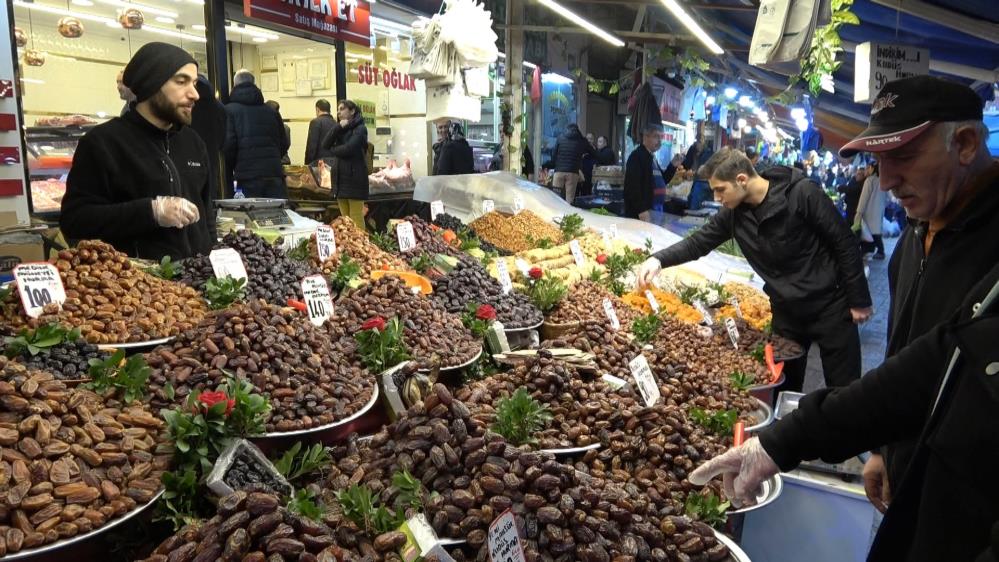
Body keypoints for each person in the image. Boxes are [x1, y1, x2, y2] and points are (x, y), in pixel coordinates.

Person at [685, 258, 999, 562]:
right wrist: (779, 442)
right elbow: (928, 365)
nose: (897, 201)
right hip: (932, 507)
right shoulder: (927, 246)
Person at [835, 76, 999, 517]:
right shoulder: (915, 235)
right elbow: (900, 354)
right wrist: (883, 451)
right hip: (910, 477)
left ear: (965, 143)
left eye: (903, 156)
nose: (885, 181)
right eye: (878, 161)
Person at [636, 147, 872, 392]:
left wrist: (859, 299)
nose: (717, 199)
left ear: (741, 180)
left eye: (720, 190)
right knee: (783, 385)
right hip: (787, 313)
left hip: (830, 305)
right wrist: (658, 260)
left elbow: (843, 241)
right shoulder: (734, 214)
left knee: (845, 391)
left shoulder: (802, 193)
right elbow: (699, 242)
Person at [61, 42, 213, 260]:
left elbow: (207, 215)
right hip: (138, 287)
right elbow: (75, 220)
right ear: (152, 84)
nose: (194, 94)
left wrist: (214, 258)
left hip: (196, 283)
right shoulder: (103, 143)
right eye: (181, 82)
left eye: (195, 83)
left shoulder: (193, 142)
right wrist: (151, 212)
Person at [223, 70, 288, 198]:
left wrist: (232, 169)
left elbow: (229, 146)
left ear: (234, 85)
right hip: (273, 175)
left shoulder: (229, 111)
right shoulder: (271, 111)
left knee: (248, 216)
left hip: (246, 178)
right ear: (254, 84)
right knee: (275, 216)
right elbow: (283, 143)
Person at [323, 99, 368, 229]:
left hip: (355, 179)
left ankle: (362, 246)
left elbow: (349, 148)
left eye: (342, 109)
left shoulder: (361, 129)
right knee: (345, 219)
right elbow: (325, 144)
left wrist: (333, 151)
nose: (339, 112)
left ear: (352, 111)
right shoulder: (341, 129)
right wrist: (337, 127)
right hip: (340, 178)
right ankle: (349, 247)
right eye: (337, 110)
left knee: (356, 217)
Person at [623, 123, 680, 221]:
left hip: (655, 211)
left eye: (661, 137)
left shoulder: (652, 158)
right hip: (641, 214)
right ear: (645, 136)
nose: (659, 141)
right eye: (656, 136)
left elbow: (663, 180)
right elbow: (632, 186)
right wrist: (641, 210)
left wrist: (673, 165)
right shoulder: (637, 156)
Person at [190, 73, 227, 199]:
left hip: (187, 157)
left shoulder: (187, 107)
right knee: (209, 197)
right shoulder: (219, 107)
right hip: (211, 157)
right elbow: (223, 139)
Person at [551, 123, 595, 204]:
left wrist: (555, 165)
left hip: (559, 171)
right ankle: (567, 215)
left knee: (555, 197)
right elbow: (593, 152)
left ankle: (555, 214)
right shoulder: (582, 140)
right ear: (578, 130)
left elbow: (554, 154)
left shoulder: (560, 137)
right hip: (572, 172)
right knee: (569, 198)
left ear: (567, 129)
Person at [853, 163, 885, 259]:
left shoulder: (869, 181)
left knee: (870, 233)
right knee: (875, 232)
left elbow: (864, 198)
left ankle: (879, 251)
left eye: (867, 168)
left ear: (871, 169)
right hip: (878, 210)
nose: (865, 171)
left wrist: (859, 212)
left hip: (869, 211)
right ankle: (877, 250)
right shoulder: (881, 180)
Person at [304, 99, 336, 166]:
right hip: (334, 163)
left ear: (317, 109)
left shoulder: (316, 122)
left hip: (319, 163)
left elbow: (312, 146)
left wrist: (307, 165)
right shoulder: (335, 123)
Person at [265, 100, 291, 165]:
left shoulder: (262, 127)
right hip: (284, 161)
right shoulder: (286, 127)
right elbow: (286, 145)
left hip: (271, 163)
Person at [579, 132, 597, 197]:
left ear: (594, 140)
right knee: (583, 190)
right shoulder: (582, 149)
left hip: (592, 173)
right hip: (583, 172)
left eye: (591, 139)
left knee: (590, 190)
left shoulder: (595, 150)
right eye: (588, 139)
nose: (589, 140)